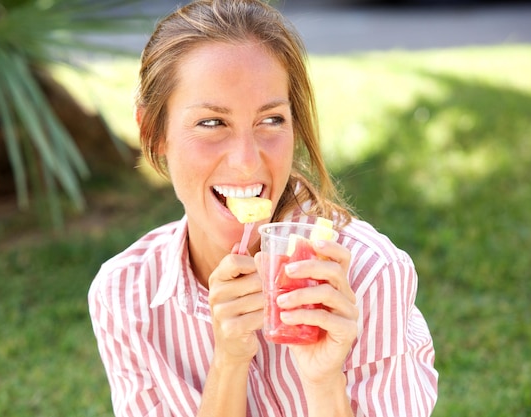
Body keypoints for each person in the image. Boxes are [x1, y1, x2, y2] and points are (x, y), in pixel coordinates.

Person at [88, 0, 438, 416]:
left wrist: (325, 383)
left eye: (271, 120)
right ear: (154, 131)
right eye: (212, 123)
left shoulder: (368, 274)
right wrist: (229, 361)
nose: (247, 161)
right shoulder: (125, 296)